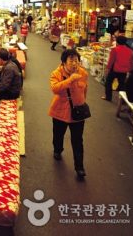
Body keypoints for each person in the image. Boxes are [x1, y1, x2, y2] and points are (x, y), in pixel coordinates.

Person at [49, 49, 88, 179]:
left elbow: (85, 90)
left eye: (76, 60)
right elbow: (55, 89)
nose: (74, 63)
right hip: (60, 111)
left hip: (77, 113)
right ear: (64, 61)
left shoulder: (83, 73)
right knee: (58, 134)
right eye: (71, 60)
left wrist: (82, 103)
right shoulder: (56, 73)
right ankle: (57, 150)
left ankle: (79, 167)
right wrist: (70, 80)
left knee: (78, 140)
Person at [0, 48, 22, 116]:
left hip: (12, 92)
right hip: (12, 88)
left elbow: (5, 84)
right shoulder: (10, 63)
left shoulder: (9, 68)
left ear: (0, 59)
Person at [102, 35, 133, 101]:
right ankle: (123, 100)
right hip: (124, 71)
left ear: (117, 42)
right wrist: (130, 70)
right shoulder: (130, 51)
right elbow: (131, 62)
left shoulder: (115, 50)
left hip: (115, 69)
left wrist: (107, 69)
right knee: (122, 85)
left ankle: (108, 97)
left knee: (108, 82)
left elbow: (111, 61)